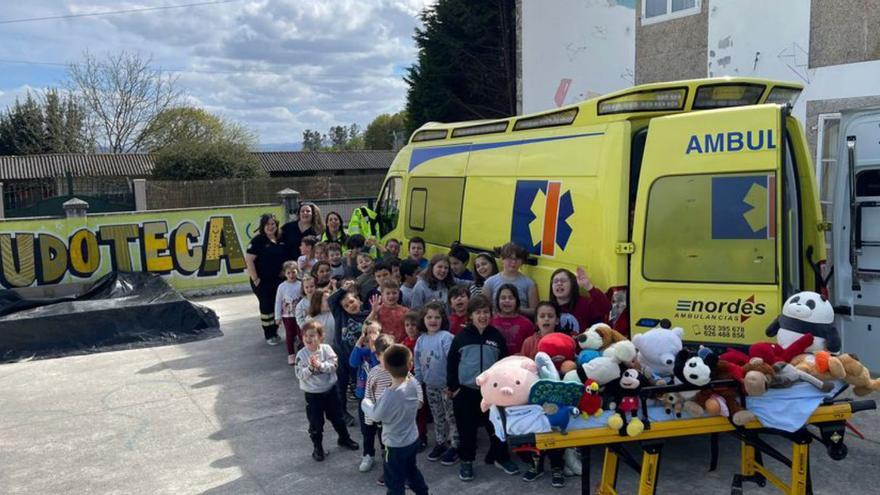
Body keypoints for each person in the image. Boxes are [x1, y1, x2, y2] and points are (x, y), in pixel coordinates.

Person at [447, 295, 519, 481]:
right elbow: (452, 362)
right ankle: (467, 461)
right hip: (466, 392)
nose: (482, 316)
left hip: (491, 393)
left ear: (491, 314)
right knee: (467, 430)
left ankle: (500, 457)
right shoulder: (461, 338)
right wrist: (454, 387)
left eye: (486, 312)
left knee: (497, 428)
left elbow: (504, 363)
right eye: (478, 312)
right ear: (470, 315)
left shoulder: (496, 336)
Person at [362, 344, 430, 495]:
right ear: (410, 365)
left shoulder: (389, 396)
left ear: (385, 366)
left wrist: (365, 403)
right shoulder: (413, 383)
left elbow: (376, 415)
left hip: (394, 446)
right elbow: (419, 402)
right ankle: (423, 492)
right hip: (412, 440)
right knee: (411, 471)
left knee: (394, 480)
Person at [293, 320, 360, 462]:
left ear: (320, 337)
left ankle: (344, 439)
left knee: (338, 418)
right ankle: (318, 448)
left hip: (330, 391)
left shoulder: (327, 349)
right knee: (316, 423)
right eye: (306, 336)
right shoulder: (301, 354)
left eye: (312, 335)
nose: (308, 339)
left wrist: (320, 365)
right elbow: (300, 374)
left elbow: (333, 366)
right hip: (312, 395)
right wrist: (311, 368)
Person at [414, 302, 459, 465]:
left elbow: (453, 362)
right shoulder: (421, 340)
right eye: (429, 317)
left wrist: (453, 386)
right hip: (430, 386)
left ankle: (455, 445)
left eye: (437, 317)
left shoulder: (446, 337)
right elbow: (418, 364)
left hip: (447, 387)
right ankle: (440, 442)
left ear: (443, 319)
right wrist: (418, 383)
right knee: (437, 415)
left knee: (451, 416)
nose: (433, 320)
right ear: (423, 319)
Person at [329, 280, 372, 425]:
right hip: (341, 357)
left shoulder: (367, 315)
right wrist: (343, 289)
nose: (350, 306)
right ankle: (342, 412)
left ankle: (367, 411)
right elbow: (331, 300)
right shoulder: (340, 316)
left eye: (352, 301)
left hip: (358, 359)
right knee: (341, 386)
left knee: (360, 385)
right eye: (346, 305)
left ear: (359, 300)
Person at [245, 213, 287, 345]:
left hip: (278, 281)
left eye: (273, 224)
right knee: (266, 306)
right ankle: (269, 334)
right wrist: (255, 279)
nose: (270, 227)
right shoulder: (258, 241)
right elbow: (249, 260)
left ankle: (275, 330)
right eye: (267, 224)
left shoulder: (281, 239)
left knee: (277, 306)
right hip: (262, 281)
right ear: (262, 226)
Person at [349, 324, 385, 472]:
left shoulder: (382, 353)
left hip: (380, 397)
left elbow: (378, 366)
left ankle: (386, 453)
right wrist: (359, 343)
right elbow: (352, 362)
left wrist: (373, 349)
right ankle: (368, 454)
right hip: (364, 397)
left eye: (374, 332)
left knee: (383, 429)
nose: (370, 335)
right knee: (366, 429)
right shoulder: (362, 352)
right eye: (367, 333)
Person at [549, 266, 612, 334]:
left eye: (563, 281)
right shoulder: (548, 308)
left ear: (572, 284)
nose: (559, 283)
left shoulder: (585, 304)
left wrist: (588, 286)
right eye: (555, 281)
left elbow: (607, 308)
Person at [482, 242, 538, 317]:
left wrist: (517, 310)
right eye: (509, 258)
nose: (513, 262)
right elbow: (483, 308)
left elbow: (535, 311)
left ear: (522, 261)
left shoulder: (529, 283)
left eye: (517, 259)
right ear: (502, 259)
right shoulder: (489, 283)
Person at [491, 283, 536, 355]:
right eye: (503, 298)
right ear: (497, 301)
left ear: (517, 300)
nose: (507, 301)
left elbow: (532, 348)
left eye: (511, 298)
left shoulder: (527, 324)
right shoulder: (490, 322)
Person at [275, 260, 303, 363]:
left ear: (297, 272)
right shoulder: (282, 286)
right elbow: (278, 302)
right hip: (287, 316)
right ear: (284, 273)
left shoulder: (301, 284)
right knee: (290, 335)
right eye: (288, 273)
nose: (291, 275)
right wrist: (277, 317)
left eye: (294, 272)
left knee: (301, 333)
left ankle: (303, 352)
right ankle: (291, 354)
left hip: (300, 314)